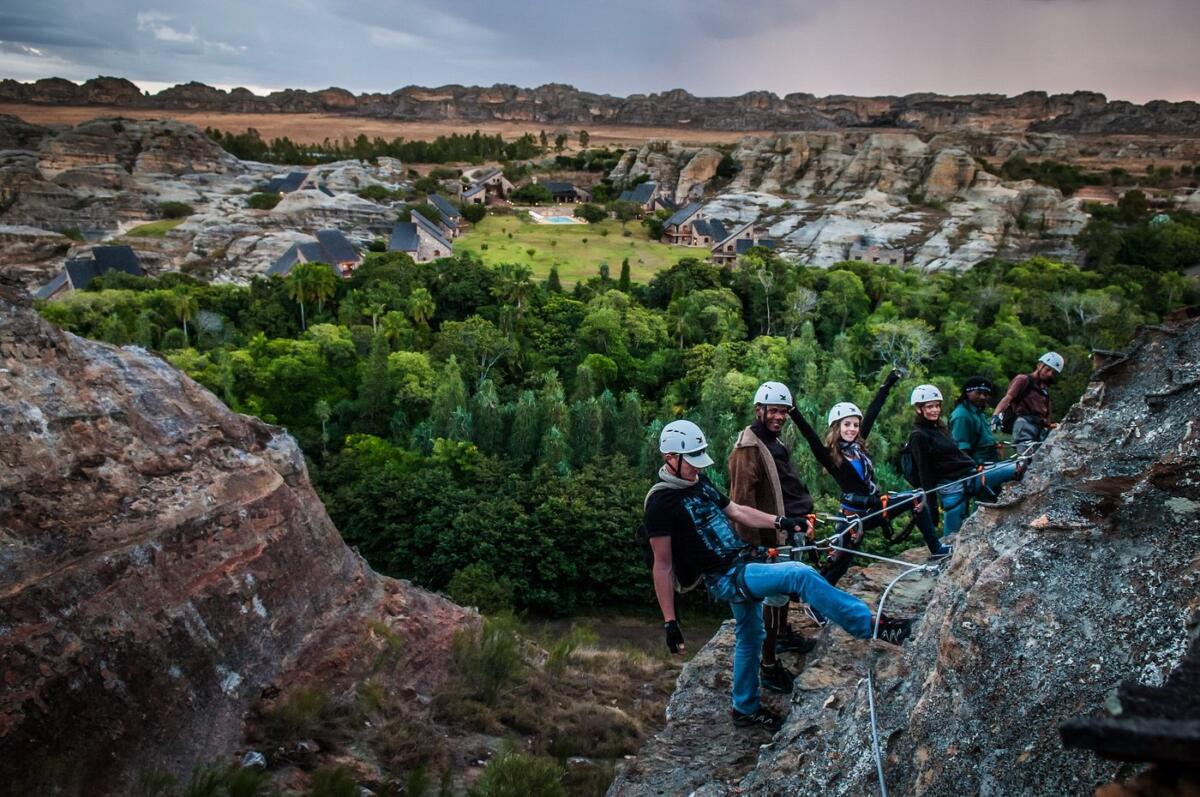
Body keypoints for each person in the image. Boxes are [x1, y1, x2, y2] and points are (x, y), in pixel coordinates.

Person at [646, 419, 914, 733]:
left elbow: (737, 511)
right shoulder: (660, 503)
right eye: (691, 462)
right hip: (727, 576)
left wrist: (783, 522)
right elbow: (662, 565)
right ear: (670, 458)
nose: (697, 468)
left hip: (740, 560)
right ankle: (871, 626)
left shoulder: (698, 482)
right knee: (799, 574)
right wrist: (670, 622)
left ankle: (744, 708)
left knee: (751, 635)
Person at [789, 370, 950, 625]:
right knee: (840, 562)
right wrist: (793, 411)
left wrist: (888, 383)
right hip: (854, 516)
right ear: (836, 428)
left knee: (916, 496)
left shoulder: (858, 448)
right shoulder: (831, 455)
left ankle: (936, 548)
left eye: (855, 424)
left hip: (873, 509)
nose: (852, 429)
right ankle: (816, 605)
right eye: (847, 425)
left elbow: (873, 411)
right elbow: (809, 436)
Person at [727, 382, 817, 694]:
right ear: (759, 410)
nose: (780, 416)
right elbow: (739, 502)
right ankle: (767, 665)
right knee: (772, 596)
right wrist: (753, 547)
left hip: (787, 530)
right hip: (769, 538)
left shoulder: (773, 441)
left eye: (784, 411)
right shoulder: (749, 447)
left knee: (781, 594)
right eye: (774, 410)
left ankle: (780, 634)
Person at [908, 384, 1021, 539]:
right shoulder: (918, 435)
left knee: (1017, 467)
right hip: (951, 487)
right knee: (951, 538)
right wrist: (932, 506)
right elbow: (924, 471)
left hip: (968, 476)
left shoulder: (940, 429)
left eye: (937, 406)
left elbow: (956, 454)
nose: (935, 410)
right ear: (919, 409)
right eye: (929, 407)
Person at [992, 352, 1064, 457]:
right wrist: (996, 415)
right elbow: (1008, 397)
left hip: (1039, 428)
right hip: (1024, 424)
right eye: (1048, 369)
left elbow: (1046, 416)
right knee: (1025, 458)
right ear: (1039, 365)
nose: (1050, 374)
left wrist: (1052, 426)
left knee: (1036, 459)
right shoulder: (1023, 379)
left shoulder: (1044, 391)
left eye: (1053, 373)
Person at [949, 376, 1000, 465]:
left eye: (985, 394)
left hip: (990, 460)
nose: (982, 397)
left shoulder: (978, 412)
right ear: (968, 393)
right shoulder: (962, 416)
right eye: (978, 393)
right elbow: (961, 450)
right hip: (978, 465)